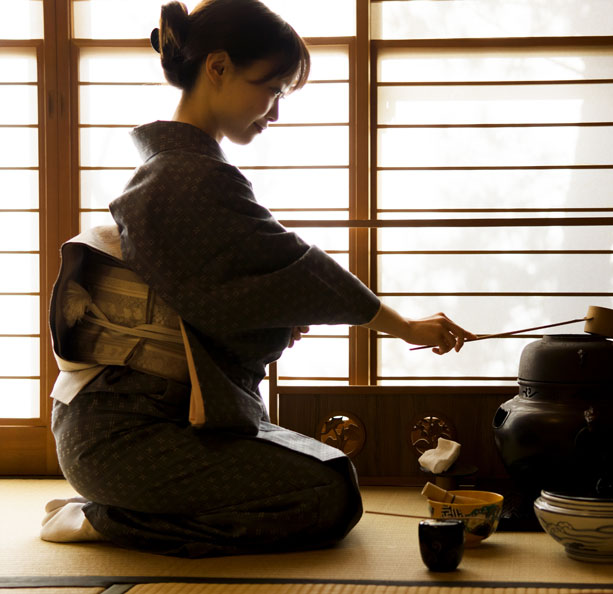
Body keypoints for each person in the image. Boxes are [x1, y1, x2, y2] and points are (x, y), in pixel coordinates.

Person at [40, 0, 475, 558]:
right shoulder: (185, 176)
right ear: (217, 67)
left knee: (332, 468)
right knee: (327, 496)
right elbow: (301, 269)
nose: (274, 112)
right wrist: (405, 327)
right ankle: (104, 520)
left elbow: (240, 292)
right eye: (270, 89)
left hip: (139, 423)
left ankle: (126, 508)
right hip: (126, 435)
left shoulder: (184, 170)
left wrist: (273, 315)